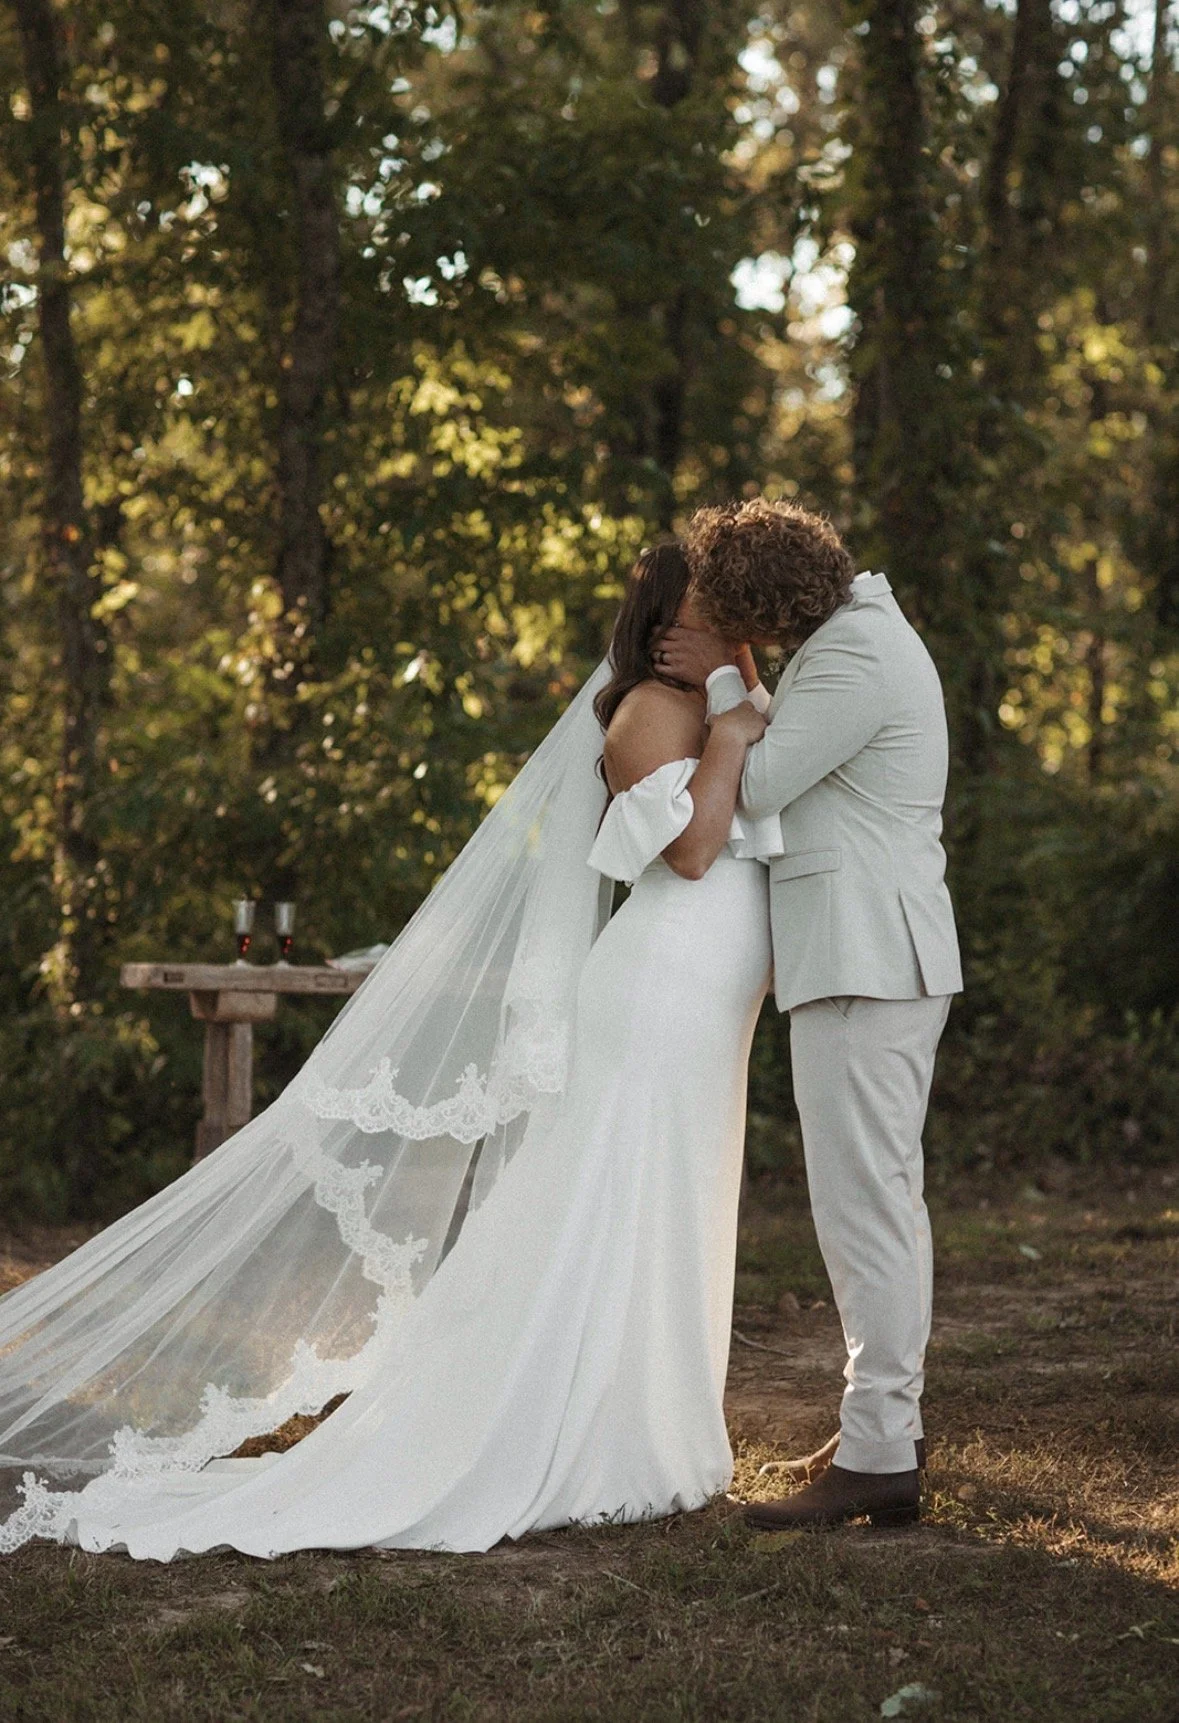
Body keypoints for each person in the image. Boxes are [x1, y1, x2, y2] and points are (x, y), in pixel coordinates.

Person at [0, 543, 778, 1561]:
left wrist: (741, 695)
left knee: (668, 1196)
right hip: (657, 990)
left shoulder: (722, 697)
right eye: (711, 611)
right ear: (667, 623)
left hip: (705, 996)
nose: (731, 627)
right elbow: (691, 848)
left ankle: (654, 1420)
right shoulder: (645, 712)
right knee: (614, 1197)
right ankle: (583, 1430)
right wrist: (731, 727)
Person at [657, 498, 962, 1530]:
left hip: (870, 958)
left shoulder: (854, 655)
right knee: (872, 1199)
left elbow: (762, 782)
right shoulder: (855, 641)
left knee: (865, 1204)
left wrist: (726, 674)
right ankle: (885, 1426)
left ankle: (881, 1451)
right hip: (868, 953)